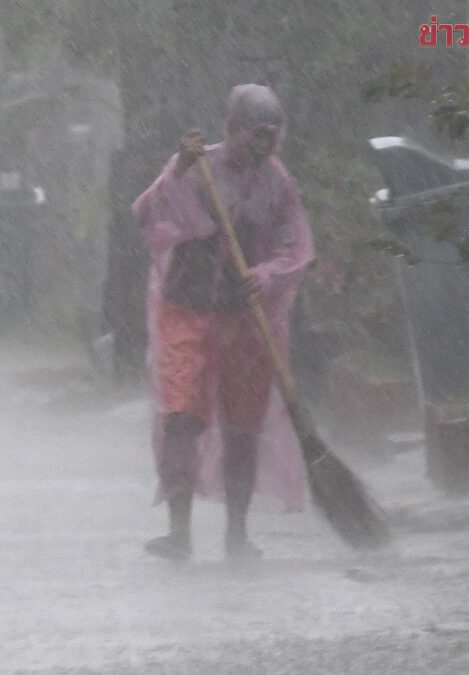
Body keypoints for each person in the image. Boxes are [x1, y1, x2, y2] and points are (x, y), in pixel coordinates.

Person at [131, 84, 315, 560]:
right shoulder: (198, 168)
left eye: (272, 138)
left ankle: (237, 533)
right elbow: (148, 214)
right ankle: (179, 532)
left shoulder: (277, 183)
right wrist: (178, 169)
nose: (264, 147)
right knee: (181, 417)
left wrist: (268, 273)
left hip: (247, 319)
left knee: (242, 428)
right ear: (232, 130)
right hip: (186, 310)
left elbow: (295, 246)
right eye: (256, 136)